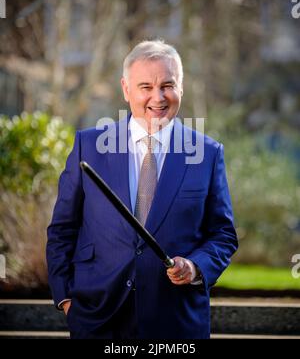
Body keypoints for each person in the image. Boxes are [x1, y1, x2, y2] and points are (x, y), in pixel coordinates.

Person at [46, 39, 238, 339]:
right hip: (98, 319)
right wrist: (66, 299)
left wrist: (195, 266)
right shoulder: (89, 146)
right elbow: (62, 230)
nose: (158, 97)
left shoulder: (208, 153)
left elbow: (223, 235)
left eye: (167, 85)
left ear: (181, 88)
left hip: (176, 323)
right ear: (126, 90)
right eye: (146, 87)